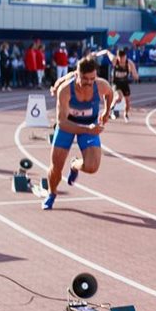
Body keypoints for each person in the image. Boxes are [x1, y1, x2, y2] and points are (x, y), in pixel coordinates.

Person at [42, 56, 113, 210]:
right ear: (77, 75)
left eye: (92, 79)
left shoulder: (101, 85)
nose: (89, 83)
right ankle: (51, 193)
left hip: (89, 124)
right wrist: (87, 129)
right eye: (85, 79)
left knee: (92, 167)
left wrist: (107, 111)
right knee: (56, 168)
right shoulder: (66, 90)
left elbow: (109, 93)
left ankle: (74, 165)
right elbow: (62, 122)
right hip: (68, 125)